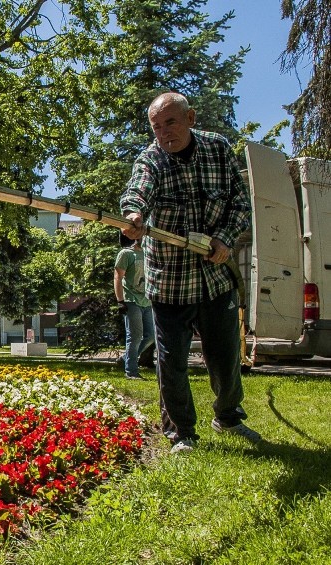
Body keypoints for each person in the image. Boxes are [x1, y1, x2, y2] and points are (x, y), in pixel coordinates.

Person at [121, 92, 260, 454]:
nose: (164, 133)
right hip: (169, 283)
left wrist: (225, 240)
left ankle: (227, 415)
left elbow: (240, 205)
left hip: (215, 280)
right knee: (171, 363)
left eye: (170, 122)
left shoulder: (218, 150)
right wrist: (134, 216)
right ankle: (181, 433)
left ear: (191, 118)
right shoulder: (150, 160)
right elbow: (138, 192)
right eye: (156, 126)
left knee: (225, 358)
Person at [114, 237, 155, 380]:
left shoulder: (149, 253)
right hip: (131, 300)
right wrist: (120, 301)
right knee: (135, 336)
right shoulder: (126, 253)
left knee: (151, 336)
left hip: (147, 301)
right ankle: (131, 372)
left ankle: (126, 357)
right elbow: (118, 278)